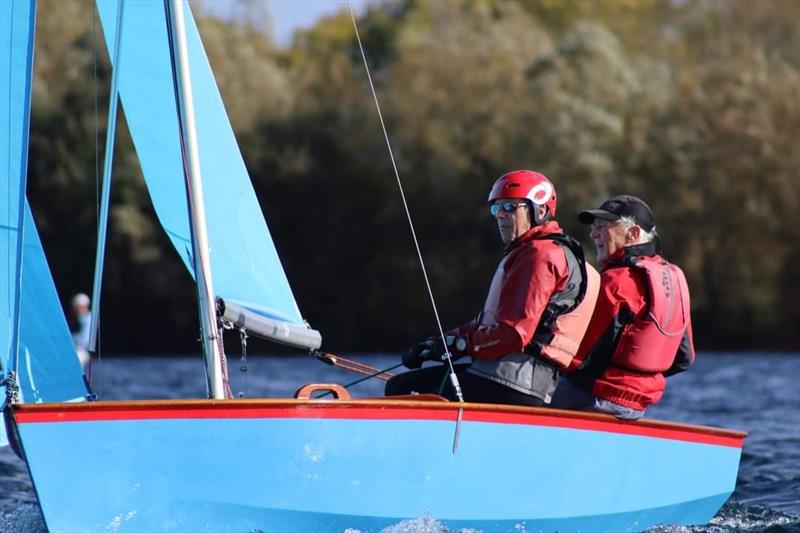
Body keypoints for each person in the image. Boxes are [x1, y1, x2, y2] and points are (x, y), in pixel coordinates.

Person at [385, 170, 599, 406]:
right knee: (403, 385)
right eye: (496, 209)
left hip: (512, 383)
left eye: (510, 207)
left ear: (539, 210)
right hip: (501, 376)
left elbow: (514, 334)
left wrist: (463, 345)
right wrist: (440, 343)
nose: (501, 216)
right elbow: (489, 324)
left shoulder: (540, 256)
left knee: (403, 388)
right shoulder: (532, 253)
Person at [551, 195, 695, 420]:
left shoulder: (618, 281)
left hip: (593, 396)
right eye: (594, 227)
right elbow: (684, 358)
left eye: (603, 227)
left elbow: (583, 357)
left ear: (633, 234)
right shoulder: (675, 279)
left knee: (520, 394)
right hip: (635, 406)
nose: (594, 234)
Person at [70, 292, 92, 375]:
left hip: (81, 351)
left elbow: (85, 340)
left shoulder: (88, 318)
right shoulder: (78, 318)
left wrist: (68, 339)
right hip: (74, 350)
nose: (77, 309)